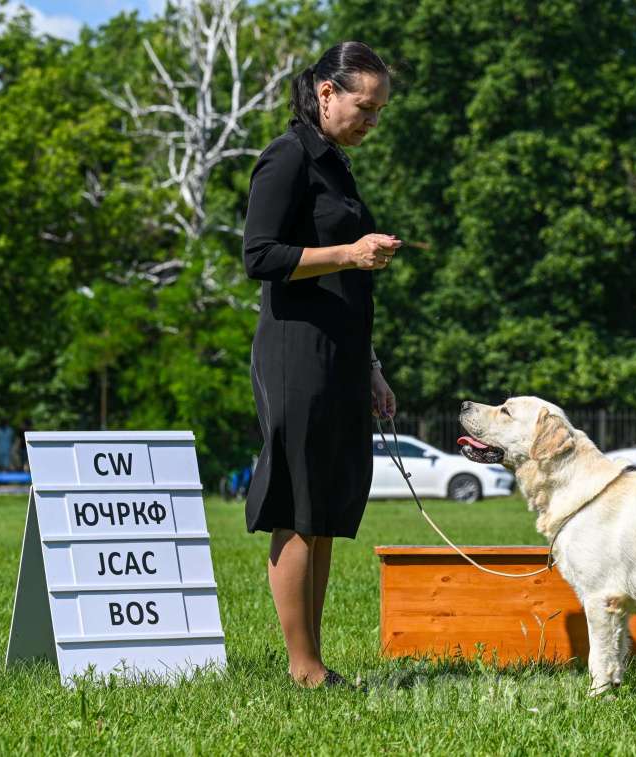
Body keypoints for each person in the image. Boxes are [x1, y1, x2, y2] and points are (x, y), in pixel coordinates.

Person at [242, 41, 399, 688]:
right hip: (294, 353)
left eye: (380, 111)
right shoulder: (287, 157)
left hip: (339, 355)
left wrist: (371, 367)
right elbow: (261, 255)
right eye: (365, 106)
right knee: (298, 505)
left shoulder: (337, 166)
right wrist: (349, 252)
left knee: (328, 507)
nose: (372, 121)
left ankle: (316, 658)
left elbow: (348, 282)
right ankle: (302, 666)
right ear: (327, 92)